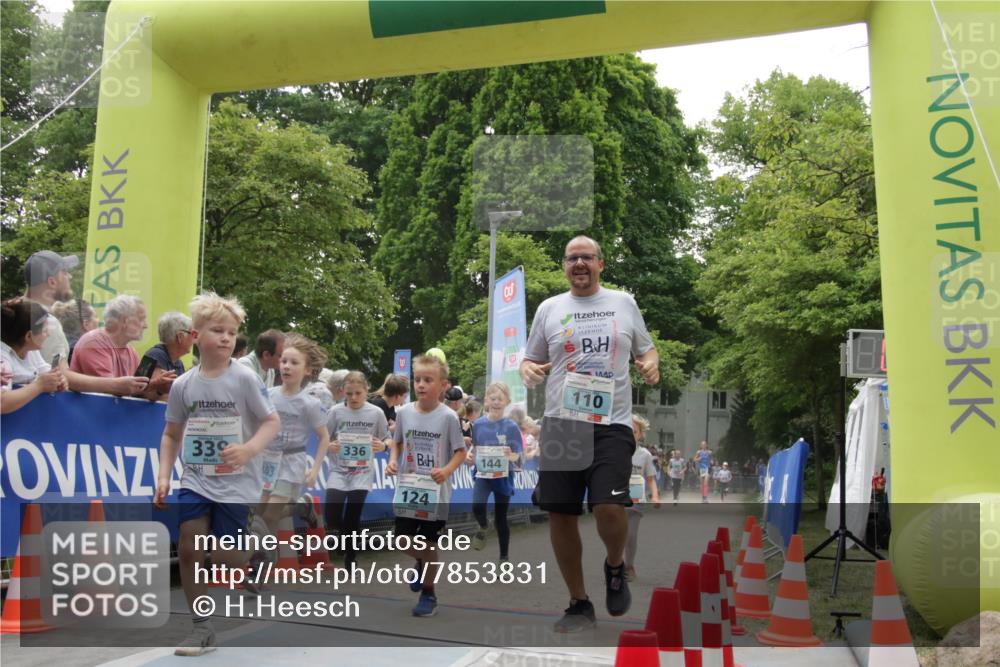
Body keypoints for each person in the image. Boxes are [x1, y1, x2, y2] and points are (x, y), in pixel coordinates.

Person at [520, 235, 659, 632]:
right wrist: (527, 369)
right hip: (563, 424)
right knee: (560, 515)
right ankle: (579, 602)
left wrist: (651, 365)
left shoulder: (623, 303)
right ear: (564, 266)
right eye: (571, 258)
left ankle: (615, 565)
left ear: (600, 263)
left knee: (609, 507)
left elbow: (647, 350)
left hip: (611, 423)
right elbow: (531, 359)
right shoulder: (550, 308)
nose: (579, 263)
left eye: (586, 257)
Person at [153, 292, 280, 657]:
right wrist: (165, 476)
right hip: (195, 478)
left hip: (238, 482)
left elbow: (271, 421)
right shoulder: (183, 385)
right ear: (195, 336)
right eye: (217, 330)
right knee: (190, 548)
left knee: (231, 559)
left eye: (231, 332)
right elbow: (171, 434)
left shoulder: (243, 379)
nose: (226, 338)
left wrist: (248, 449)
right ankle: (201, 628)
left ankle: (257, 544)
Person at [386, 354, 466, 617]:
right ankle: (421, 562)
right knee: (402, 540)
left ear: (443, 385)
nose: (420, 385)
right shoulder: (405, 412)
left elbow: (460, 452)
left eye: (428, 380)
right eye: (417, 379)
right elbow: (396, 442)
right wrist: (394, 461)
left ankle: (428, 593)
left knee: (430, 544)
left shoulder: (448, 418)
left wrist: (446, 470)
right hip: (409, 485)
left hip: (436, 491)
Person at [257, 333, 330, 544]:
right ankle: (302, 506)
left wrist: (315, 469)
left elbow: (324, 438)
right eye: (284, 361)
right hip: (266, 460)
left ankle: (262, 557)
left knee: (270, 514)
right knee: (259, 511)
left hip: (291, 462)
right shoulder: (267, 394)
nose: (286, 366)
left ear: (307, 370)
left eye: (294, 363)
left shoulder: (310, 404)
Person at [325, 371, 390, 568]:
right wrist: (330, 446)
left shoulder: (376, 413)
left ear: (366, 390)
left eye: (358, 393)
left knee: (353, 514)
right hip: (339, 470)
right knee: (332, 514)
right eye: (349, 393)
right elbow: (323, 439)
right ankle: (345, 539)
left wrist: (383, 446)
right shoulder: (335, 412)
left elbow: (387, 438)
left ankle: (351, 556)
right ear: (342, 391)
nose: (353, 398)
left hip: (362, 472)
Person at [466, 381, 523, 562]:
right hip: (483, 474)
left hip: (503, 476)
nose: (497, 402)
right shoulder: (479, 424)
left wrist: (510, 455)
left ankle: (503, 558)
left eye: (501, 399)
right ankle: (483, 526)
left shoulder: (511, 427)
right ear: (486, 400)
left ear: (507, 401)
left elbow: (519, 458)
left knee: (501, 518)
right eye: (493, 398)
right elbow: (475, 448)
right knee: (477, 506)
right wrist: (470, 456)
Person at [1, 298, 68, 413]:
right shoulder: (2, 358)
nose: (48, 334)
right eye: (45, 330)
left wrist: (59, 380)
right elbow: (1, 403)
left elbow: (46, 373)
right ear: (29, 336)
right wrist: (39, 386)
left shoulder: (31, 351)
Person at [23, 250, 78, 362]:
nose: (70, 276)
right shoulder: (47, 323)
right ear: (52, 282)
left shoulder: (10, 314)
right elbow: (58, 375)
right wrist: (120, 380)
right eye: (65, 272)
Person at [624, 414, 660, 582]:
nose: (630, 433)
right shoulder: (615, 452)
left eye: (634, 431)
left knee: (630, 535)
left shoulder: (644, 455)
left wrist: (655, 496)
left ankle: (629, 566)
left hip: (636, 501)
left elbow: (651, 479)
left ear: (639, 434)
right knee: (615, 535)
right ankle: (615, 566)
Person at [141, 311, 194, 399]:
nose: (194, 339)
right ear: (180, 337)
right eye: (192, 334)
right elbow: (147, 394)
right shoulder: (155, 355)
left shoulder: (178, 362)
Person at [50, 299, 97, 363]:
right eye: (95, 317)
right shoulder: (85, 353)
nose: (97, 320)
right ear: (86, 324)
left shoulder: (56, 345)